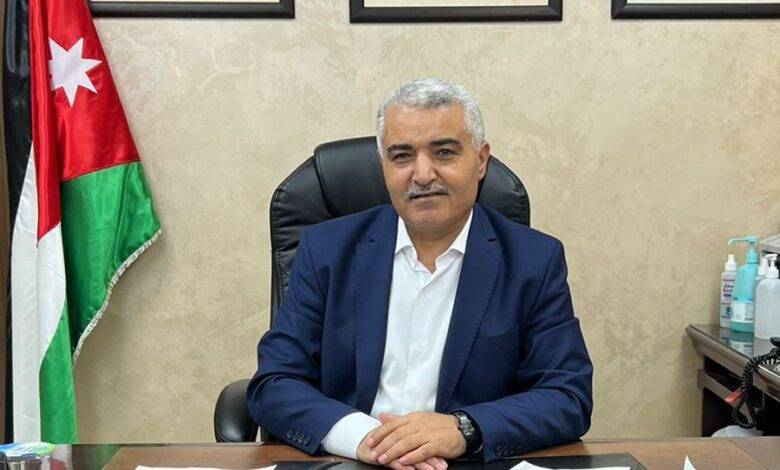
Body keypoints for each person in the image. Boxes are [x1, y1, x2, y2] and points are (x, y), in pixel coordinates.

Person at [246, 78, 593, 469]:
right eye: (402, 156)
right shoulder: (325, 250)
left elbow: (567, 397)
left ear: (481, 160)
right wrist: (365, 438)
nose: (423, 174)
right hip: (349, 461)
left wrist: (463, 429)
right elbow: (274, 384)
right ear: (383, 165)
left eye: (444, 152)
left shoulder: (533, 260)